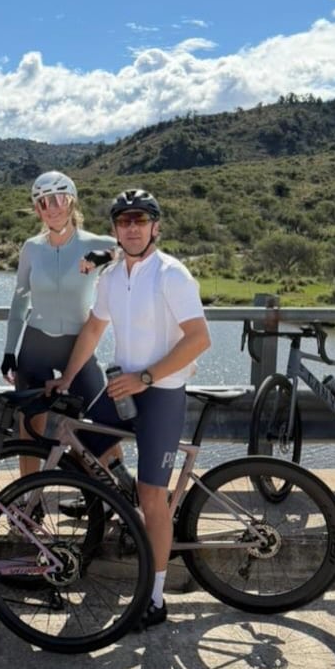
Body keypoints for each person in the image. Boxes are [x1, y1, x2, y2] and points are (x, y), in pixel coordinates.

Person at [48, 188, 210, 629]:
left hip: (160, 390)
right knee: (77, 437)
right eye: (125, 221)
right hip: (124, 386)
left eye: (141, 220)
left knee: (153, 497)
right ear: (116, 229)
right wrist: (66, 377)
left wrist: (147, 377)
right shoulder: (112, 277)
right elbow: (93, 330)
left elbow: (199, 339)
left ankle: (154, 600)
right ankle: (120, 496)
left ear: (155, 227)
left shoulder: (172, 275)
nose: (133, 228)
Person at [1, 171, 117, 412]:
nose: (52, 208)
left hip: (78, 345)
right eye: (44, 202)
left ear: (72, 202)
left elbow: (136, 249)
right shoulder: (31, 248)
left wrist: (105, 256)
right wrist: (10, 351)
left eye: (59, 200)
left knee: (98, 422)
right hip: (35, 345)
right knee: (30, 427)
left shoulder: (94, 244)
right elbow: (20, 300)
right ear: (37, 210)